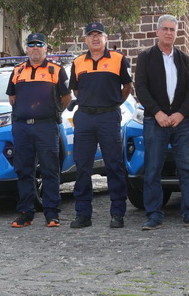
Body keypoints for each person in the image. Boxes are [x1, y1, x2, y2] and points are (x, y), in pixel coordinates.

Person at [133, 14, 189, 230]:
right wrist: (157, 112)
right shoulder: (146, 57)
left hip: (181, 122)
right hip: (155, 121)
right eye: (165, 29)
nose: (169, 33)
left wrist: (181, 113)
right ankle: (154, 215)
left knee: (188, 168)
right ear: (157, 31)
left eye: (172, 30)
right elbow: (141, 88)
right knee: (153, 168)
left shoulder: (184, 58)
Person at [68, 22, 133, 229]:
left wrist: (112, 103)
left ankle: (117, 214)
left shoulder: (119, 59)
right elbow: (76, 91)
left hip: (108, 117)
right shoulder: (77, 62)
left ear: (106, 38)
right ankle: (83, 214)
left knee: (114, 165)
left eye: (99, 35)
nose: (95, 38)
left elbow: (127, 87)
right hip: (85, 118)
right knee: (82, 167)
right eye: (91, 35)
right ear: (85, 39)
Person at [7, 32, 71, 228]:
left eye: (39, 45)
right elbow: (12, 98)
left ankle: (52, 213)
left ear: (46, 48)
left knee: (49, 170)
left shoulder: (56, 70)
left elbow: (66, 97)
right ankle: (26, 213)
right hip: (23, 127)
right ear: (27, 48)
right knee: (24, 170)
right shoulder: (17, 71)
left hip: (46, 126)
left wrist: (54, 111)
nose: (35, 48)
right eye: (32, 45)